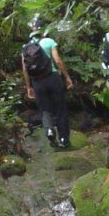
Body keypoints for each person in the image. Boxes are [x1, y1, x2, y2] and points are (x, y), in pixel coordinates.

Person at [22, 18, 75, 147]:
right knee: (60, 109)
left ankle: (49, 129)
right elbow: (57, 61)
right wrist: (67, 77)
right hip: (53, 78)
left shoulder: (26, 47)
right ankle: (64, 139)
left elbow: (24, 69)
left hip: (37, 82)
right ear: (45, 29)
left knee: (45, 109)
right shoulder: (49, 41)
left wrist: (29, 87)